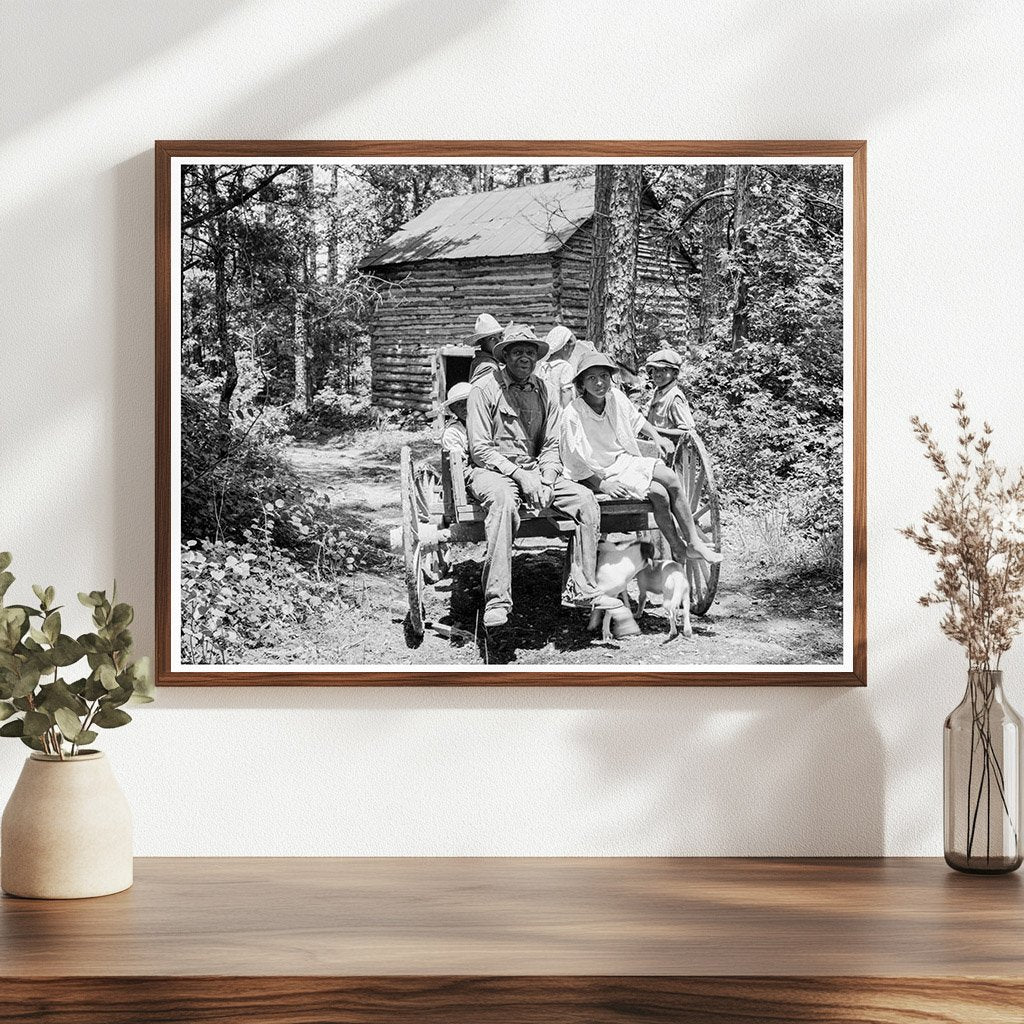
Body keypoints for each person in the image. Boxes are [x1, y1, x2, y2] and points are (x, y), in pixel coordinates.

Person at [466, 323, 622, 629]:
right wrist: (520, 477)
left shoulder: (546, 390)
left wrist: (548, 478)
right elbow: (480, 449)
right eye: (517, 352)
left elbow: (551, 445)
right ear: (505, 356)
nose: (524, 357)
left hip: (536, 470)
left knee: (585, 500)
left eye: (530, 352)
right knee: (503, 503)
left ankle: (582, 588)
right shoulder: (484, 389)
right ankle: (497, 600)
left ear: (537, 357)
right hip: (492, 471)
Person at [561, 351, 723, 566]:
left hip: (623, 461)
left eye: (604, 376)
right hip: (597, 471)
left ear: (611, 378)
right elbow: (574, 461)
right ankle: (677, 547)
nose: (599, 383)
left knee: (670, 478)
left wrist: (656, 437)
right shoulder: (573, 413)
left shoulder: (616, 398)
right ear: (581, 383)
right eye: (591, 378)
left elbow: (637, 420)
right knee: (659, 493)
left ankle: (692, 543)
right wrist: (603, 485)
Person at [643, 347, 697, 436]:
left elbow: (686, 432)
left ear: (675, 374)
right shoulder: (659, 391)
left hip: (668, 444)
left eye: (664, 370)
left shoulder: (675, 398)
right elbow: (647, 411)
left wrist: (652, 430)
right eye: (655, 369)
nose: (657, 374)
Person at [538, 325, 595, 407]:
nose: (571, 354)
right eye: (572, 350)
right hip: (560, 410)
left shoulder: (543, 366)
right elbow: (566, 391)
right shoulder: (565, 367)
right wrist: (567, 411)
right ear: (565, 347)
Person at [439, 381, 472, 464]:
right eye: (459, 405)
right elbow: (459, 462)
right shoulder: (452, 433)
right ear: (453, 410)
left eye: (468, 402)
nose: (464, 408)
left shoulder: (487, 423)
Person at [467, 313, 504, 384]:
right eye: (492, 338)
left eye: (500, 337)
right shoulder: (488, 367)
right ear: (481, 341)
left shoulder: (481, 360)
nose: (498, 341)